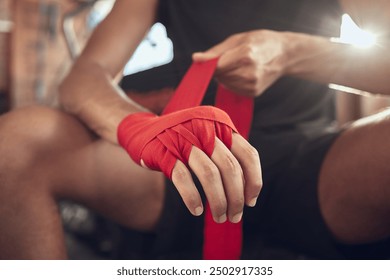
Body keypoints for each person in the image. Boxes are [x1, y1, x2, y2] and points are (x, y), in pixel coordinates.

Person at [0, 0, 389, 259]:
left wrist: (291, 52)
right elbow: (84, 76)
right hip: (184, 157)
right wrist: (141, 129)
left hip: (314, 163)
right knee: (16, 142)